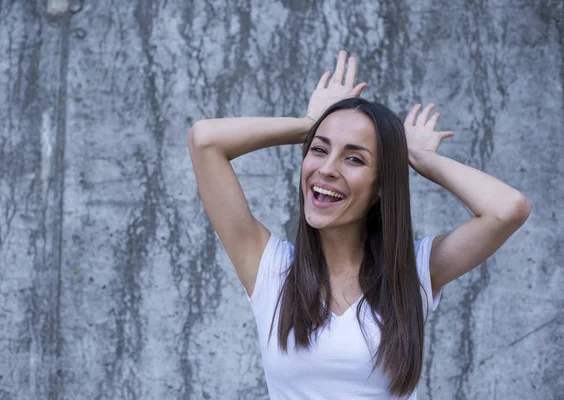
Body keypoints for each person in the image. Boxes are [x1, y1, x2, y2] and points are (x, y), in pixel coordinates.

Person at [187, 50, 530, 399]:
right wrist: (310, 123)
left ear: (381, 186)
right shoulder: (268, 268)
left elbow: (508, 208)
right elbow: (205, 140)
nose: (328, 168)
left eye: (354, 158)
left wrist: (417, 157)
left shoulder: (413, 272)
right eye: (319, 150)